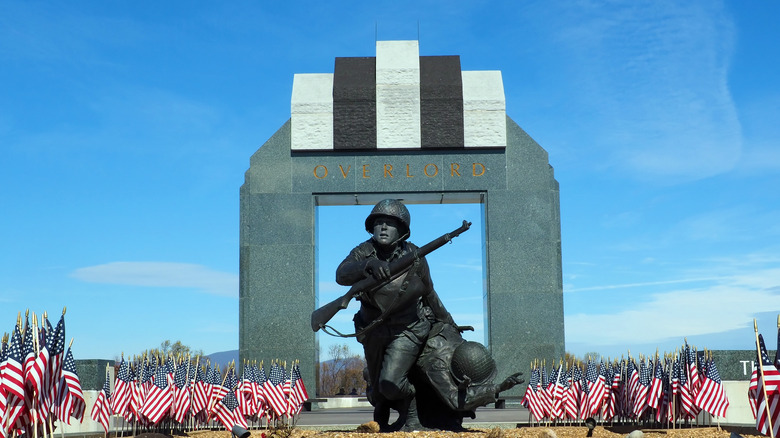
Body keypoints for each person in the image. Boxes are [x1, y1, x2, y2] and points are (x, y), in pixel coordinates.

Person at [335, 199, 458, 431]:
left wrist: (449, 322)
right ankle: (379, 416)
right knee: (377, 386)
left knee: (390, 382)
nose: (383, 227)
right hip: (372, 328)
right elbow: (341, 274)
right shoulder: (364, 251)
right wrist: (367, 265)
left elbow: (429, 293)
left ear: (402, 230)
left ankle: (412, 411)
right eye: (378, 223)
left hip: (407, 329)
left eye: (390, 224)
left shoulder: (415, 255)